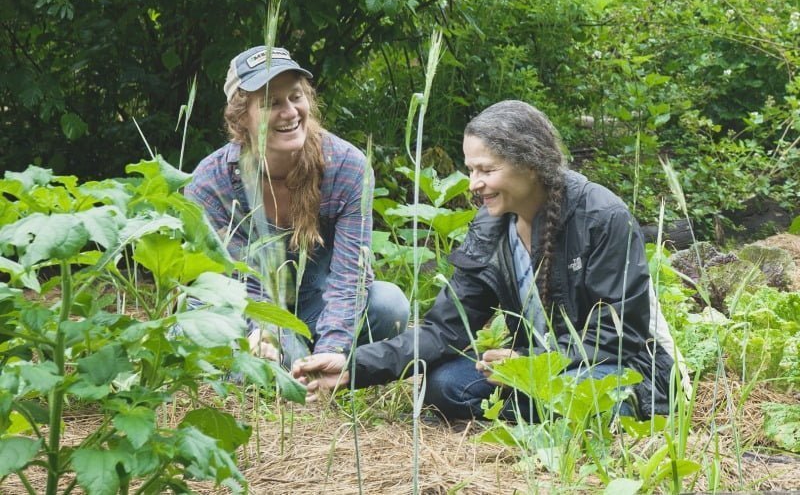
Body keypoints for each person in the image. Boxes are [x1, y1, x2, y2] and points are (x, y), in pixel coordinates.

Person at [293, 100, 684, 421]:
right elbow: (444, 329)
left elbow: (617, 336)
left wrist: (530, 365)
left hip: (620, 367)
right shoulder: (492, 226)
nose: (474, 184)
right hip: (535, 373)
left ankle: (587, 409)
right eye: (470, 170)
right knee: (444, 385)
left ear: (530, 164)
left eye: (486, 170)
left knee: (593, 394)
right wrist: (352, 365)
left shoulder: (601, 215)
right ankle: (549, 411)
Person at [185, 45, 409, 368]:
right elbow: (229, 284)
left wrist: (332, 350)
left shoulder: (347, 167)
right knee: (205, 328)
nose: (289, 112)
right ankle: (276, 359)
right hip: (250, 304)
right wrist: (262, 330)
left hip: (321, 303)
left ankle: (296, 358)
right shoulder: (210, 182)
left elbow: (350, 277)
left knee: (391, 306)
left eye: (295, 96)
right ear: (240, 118)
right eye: (271, 103)